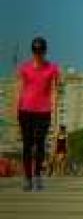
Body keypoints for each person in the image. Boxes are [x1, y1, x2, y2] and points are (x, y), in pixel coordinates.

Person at [16, 37, 61, 191]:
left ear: (45, 51)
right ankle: (28, 179)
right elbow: (20, 91)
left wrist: (55, 118)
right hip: (25, 110)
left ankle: (37, 177)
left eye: (40, 51)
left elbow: (55, 92)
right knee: (27, 145)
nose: (38, 54)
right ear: (32, 51)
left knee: (40, 144)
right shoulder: (24, 68)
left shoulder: (53, 69)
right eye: (35, 51)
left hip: (44, 111)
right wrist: (15, 112)